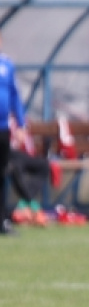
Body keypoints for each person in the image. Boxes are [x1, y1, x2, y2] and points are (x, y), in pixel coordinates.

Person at [0, 31, 26, 236]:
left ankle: (2, 222)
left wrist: (21, 125)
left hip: (3, 130)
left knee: (2, 175)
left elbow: (15, 97)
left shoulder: (7, 65)